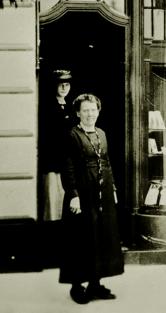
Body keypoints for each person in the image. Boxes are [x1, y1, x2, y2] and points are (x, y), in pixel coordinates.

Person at [59, 93, 124, 304]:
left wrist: (112, 187)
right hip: (82, 193)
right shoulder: (72, 135)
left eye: (93, 110)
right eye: (85, 110)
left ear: (98, 111)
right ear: (78, 113)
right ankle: (77, 286)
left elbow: (106, 162)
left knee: (101, 237)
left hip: (102, 192)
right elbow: (67, 168)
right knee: (81, 238)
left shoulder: (102, 134)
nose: (90, 114)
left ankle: (95, 284)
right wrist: (73, 195)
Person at [39, 69, 73, 221]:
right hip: (53, 163)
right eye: (61, 85)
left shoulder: (70, 107)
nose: (64, 88)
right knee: (53, 204)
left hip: (67, 163)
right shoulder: (47, 108)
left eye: (67, 84)